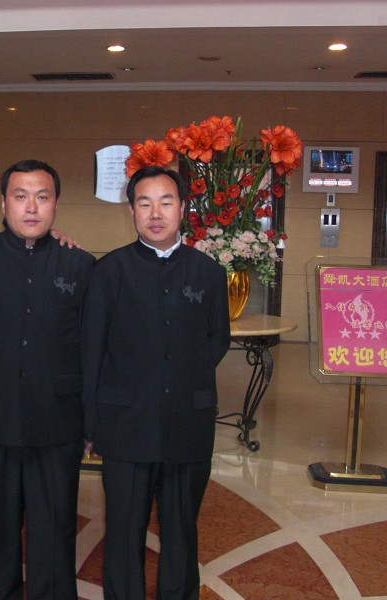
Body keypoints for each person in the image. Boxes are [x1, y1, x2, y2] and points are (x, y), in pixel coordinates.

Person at [0, 159, 95, 599]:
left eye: (42, 197)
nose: (32, 207)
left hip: (59, 421)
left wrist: (91, 422)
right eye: (21, 196)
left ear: (56, 205)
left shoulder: (80, 265)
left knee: (56, 529)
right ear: (3, 203)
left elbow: (93, 350)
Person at [81, 165, 230, 600]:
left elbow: (217, 340)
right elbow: (92, 350)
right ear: (131, 211)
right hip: (125, 424)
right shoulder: (108, 271)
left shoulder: (207, 273)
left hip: (188, 423)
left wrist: (180, 375)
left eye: (166, 202)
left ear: (183, 207)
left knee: (181, 528)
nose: (156, 213)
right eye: (144, 203)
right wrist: (91, 424)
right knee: (123, 529)